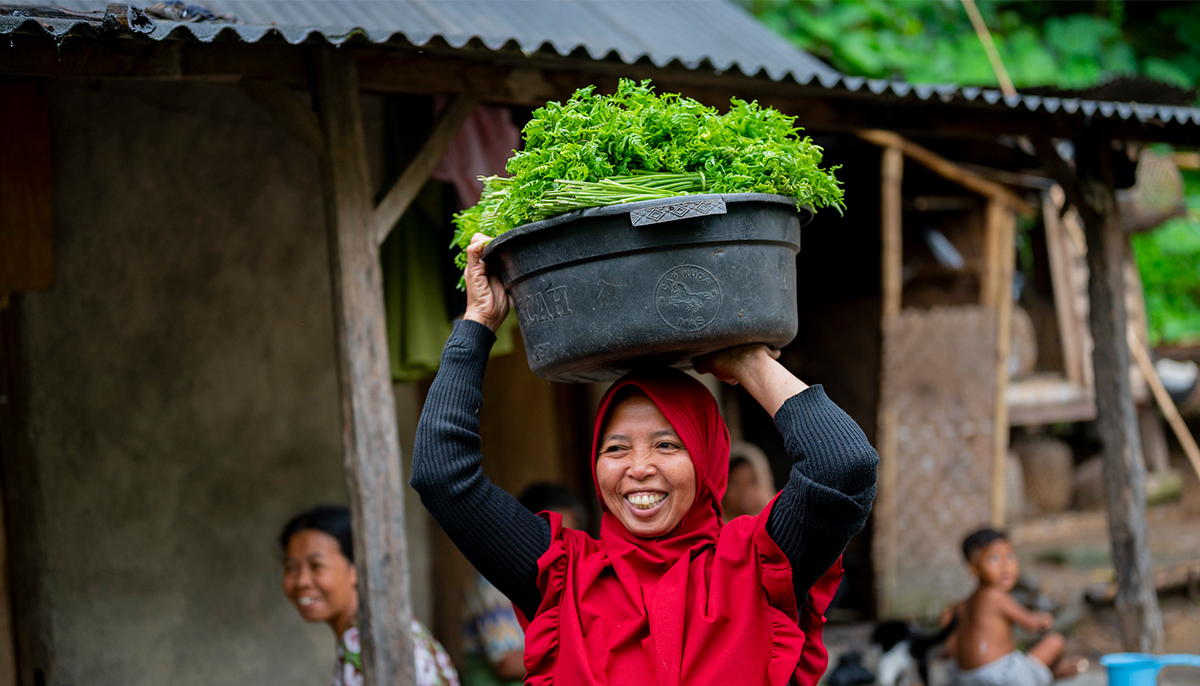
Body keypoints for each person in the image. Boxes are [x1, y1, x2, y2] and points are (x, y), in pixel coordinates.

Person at [410, 233, 879, 685]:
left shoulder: (759, 565)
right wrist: (477, 323)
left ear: (707, 460)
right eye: (615, 448)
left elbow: (844, 467)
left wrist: (747, 360)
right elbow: (441, 475)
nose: (638, 468)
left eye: (667, 444)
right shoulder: (560, 578)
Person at [280, 506, 460, 686]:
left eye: (316, 566)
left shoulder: (368, 641)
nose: (301, 581)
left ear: (357, 568)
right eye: (291, 568)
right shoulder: (382, 627)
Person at [461, 484, 586, 686]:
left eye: (569, 537)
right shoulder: (495, 578)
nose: (563, 546)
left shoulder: (565, 575)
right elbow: (508, 663)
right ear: (525, 530)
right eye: (555, 536)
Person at [942, 528, 1088, 686]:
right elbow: (1031, 624)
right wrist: (1041, 619)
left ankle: (1049, 674)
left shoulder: (957, 607)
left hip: (964, 679)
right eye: (994, 559)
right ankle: (1053, 674)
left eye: (1010, 556)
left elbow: (949, 650)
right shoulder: (994, 595)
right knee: (1055, 641)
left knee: (1022, 660)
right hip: (1000, 677)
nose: (1005, 566)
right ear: (974, 569)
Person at [723, 441, 777, 521]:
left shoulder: (781, 526)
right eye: (734, 484)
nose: (743, 491)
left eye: (751, 482)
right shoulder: (716, 531)